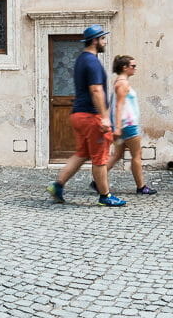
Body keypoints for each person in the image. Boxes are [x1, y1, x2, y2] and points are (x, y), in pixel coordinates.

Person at [47, 25, 127, 207]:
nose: (105, 42)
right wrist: (105, 117)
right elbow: (96, 90)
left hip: (78, 115)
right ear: (95, 40)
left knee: (82, 153)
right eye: (103, 39)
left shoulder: (80, 60)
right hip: (92, 117)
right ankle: (105, 196)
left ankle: (57, 185)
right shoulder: (92, 62)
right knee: (100, 158)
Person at [100, 55, 157, 195]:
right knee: (136, 155)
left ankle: (97, 180)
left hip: (124, 125)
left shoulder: (120, 82)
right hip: (128, 126)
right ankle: (141, 186)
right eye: (133, 66)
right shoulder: (122, 83)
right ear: (124, 67)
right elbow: (119, 106)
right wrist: (118, 127)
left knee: (117, 155)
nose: (135, 68)